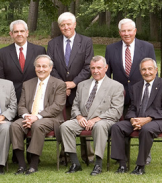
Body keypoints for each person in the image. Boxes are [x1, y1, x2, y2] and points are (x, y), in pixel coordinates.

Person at [60, 56, 124, 176]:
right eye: (93, 68)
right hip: (83, 119)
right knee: (65, 126)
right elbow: (75, 105)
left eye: (99, 68)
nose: (95, 71)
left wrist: (96, 119)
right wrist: (78, 116)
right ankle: (75, 163)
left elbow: (116, 110)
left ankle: (98, 164)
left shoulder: (116, 86)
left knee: (99, 126)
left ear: (106, 68)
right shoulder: (82, 84)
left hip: (104, 120)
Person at [105, 18, 156, 163]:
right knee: (123, 126)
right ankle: (122, 156)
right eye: (123, 31)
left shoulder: (147, 47)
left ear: (135, 31)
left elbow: (153, 73)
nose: (126, 33)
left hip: (142, 96)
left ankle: (145, 155)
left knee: (144, 124)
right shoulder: (110, 49)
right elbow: (107, 75)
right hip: (120, 97)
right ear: (119, 32)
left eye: (129, 30)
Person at [47, 11, 95, 163]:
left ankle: (88, 156)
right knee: (63, 122)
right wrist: (62, 85)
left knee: (83, 120)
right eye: (63, 25)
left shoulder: (86, 41)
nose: (66, 27)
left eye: (69, 24)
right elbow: (50, 67)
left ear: (75, 24)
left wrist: (73, 83)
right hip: (60, 90)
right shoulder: (52, 43)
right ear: (59, 27)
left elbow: (89, 66)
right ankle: (65, 156)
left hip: (80, 89)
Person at [10, 54, 66, 175]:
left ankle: (33, 165)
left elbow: (57, 107)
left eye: (44, 66)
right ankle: (21, 165)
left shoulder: (59, 84)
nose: (41, 69)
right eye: (38, 66)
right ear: (35, 68)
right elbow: (21, 106)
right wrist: (27, 116)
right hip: (29, 116)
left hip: (50, 118)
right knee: (15, 126)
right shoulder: (27, 84)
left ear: (50, 68)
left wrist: (37, 117)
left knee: (38, 125)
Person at [111, 58, 162, 175]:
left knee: (146, 129)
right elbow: (132, 107)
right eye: (144, 69)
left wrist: (148, 119)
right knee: (117, 127)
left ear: (156, 70)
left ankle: (140, 166)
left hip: (157, 120)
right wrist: (133, 119)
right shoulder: (135, 87)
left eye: (150, 69)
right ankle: (122, 164)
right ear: (140, 72)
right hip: (138, 119)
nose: (147, 72)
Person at [0, 20, 46, 102]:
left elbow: (45, 74)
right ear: (11, 34)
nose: (19, 34)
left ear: (27, 33)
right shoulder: (3, 53)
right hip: (11, 98)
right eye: (16, 31)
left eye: (22, 31)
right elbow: (0, 78)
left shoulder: (39, 51)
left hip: (35, 96)